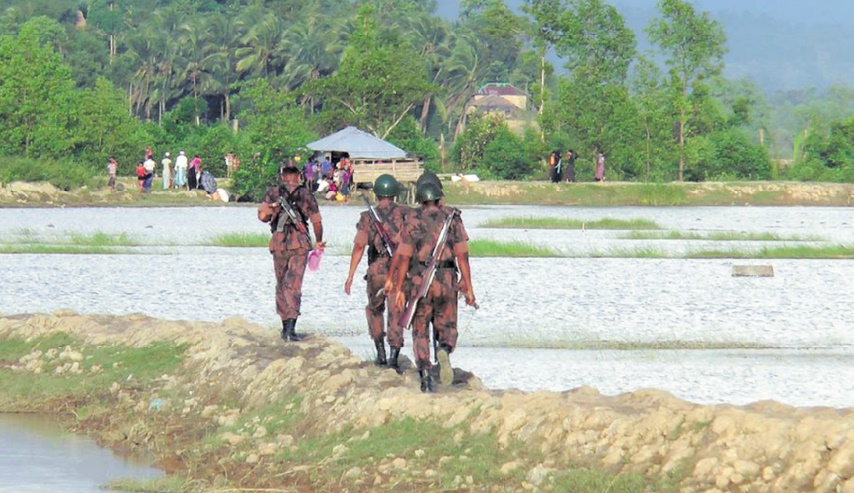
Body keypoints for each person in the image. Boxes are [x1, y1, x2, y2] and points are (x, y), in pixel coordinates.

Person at [385, 181, 477, 393]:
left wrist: (399, 287)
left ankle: (425, 377)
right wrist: (469, 286)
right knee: (447, 323)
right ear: (439, 199)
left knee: (420, 329)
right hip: (447, 278)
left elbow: (404, 256)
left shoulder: (413, 219)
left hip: (420, 280)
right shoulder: (453, 218)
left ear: (420, 200)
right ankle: (444, 348)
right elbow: (462, 254)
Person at [345, 175, 409, 371]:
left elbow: (359, 246)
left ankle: (380, 353)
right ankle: (393, 358)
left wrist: (350, 276)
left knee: (374, 310)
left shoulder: (367, 217)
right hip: (399, 272)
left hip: (376, 271)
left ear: (377, 194)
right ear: (395, 193)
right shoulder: (406, 214)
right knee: (397, 312)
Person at [257, 162, 325, 342]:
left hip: (279, 243)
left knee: (281, 284)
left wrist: (273, 208)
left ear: (282, 176)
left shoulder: (273, 193)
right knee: (293, 285)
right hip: (299, 244)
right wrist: (319, 241)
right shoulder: (306, 194)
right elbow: (317, 222)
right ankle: (290, 329)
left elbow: (262, 217)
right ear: (298, 175)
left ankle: (285, 326)